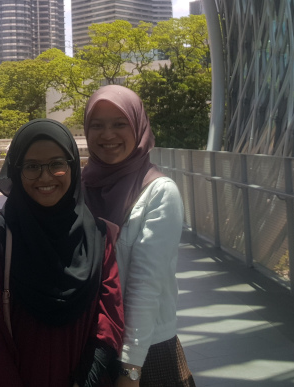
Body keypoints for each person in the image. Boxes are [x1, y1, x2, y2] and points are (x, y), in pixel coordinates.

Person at [0, 119, 123, 387]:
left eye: (56, 164)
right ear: (16, 171)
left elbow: (109, 320)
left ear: (73, 167)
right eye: (31, 166)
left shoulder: (100, 237)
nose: (45, 177)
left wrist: (86, 380)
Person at [82, 85, 196, 387]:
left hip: (143, 351)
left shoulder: (159, 192)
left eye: (120, 124)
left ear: (139, 127)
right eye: (97, 125)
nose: (108, 135)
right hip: (87, 342)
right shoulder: (79, 187)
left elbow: (146, 286)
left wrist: (130, 368)